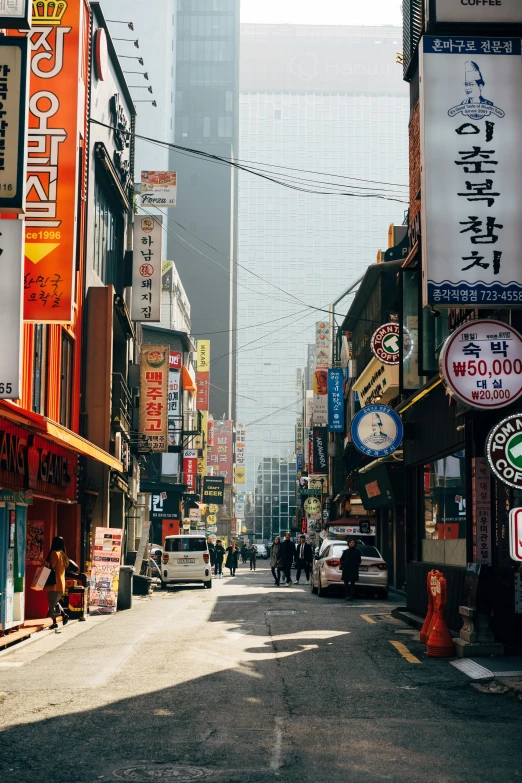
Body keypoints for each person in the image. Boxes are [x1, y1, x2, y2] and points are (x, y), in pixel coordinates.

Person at [44, 536, 70, 630]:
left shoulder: (54, 553)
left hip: (54, 583)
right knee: (55, 602)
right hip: (61, 582)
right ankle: (61, 617)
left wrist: (41, 561)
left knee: (52, 603)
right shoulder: (63, 554)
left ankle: (59, 619)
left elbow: (51, 566)